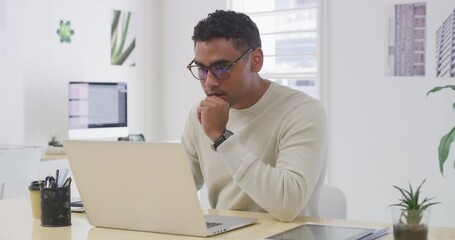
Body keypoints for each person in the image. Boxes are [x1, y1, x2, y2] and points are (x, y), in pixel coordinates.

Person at [182, 10, 327, 222]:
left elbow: (288, 204)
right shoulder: (200, 115)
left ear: (256, 60)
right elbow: (176, 190)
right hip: (225, 233)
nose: (210, 82)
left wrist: (221, 137)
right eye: (202, 70)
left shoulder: (302, 111)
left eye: (222, 68)